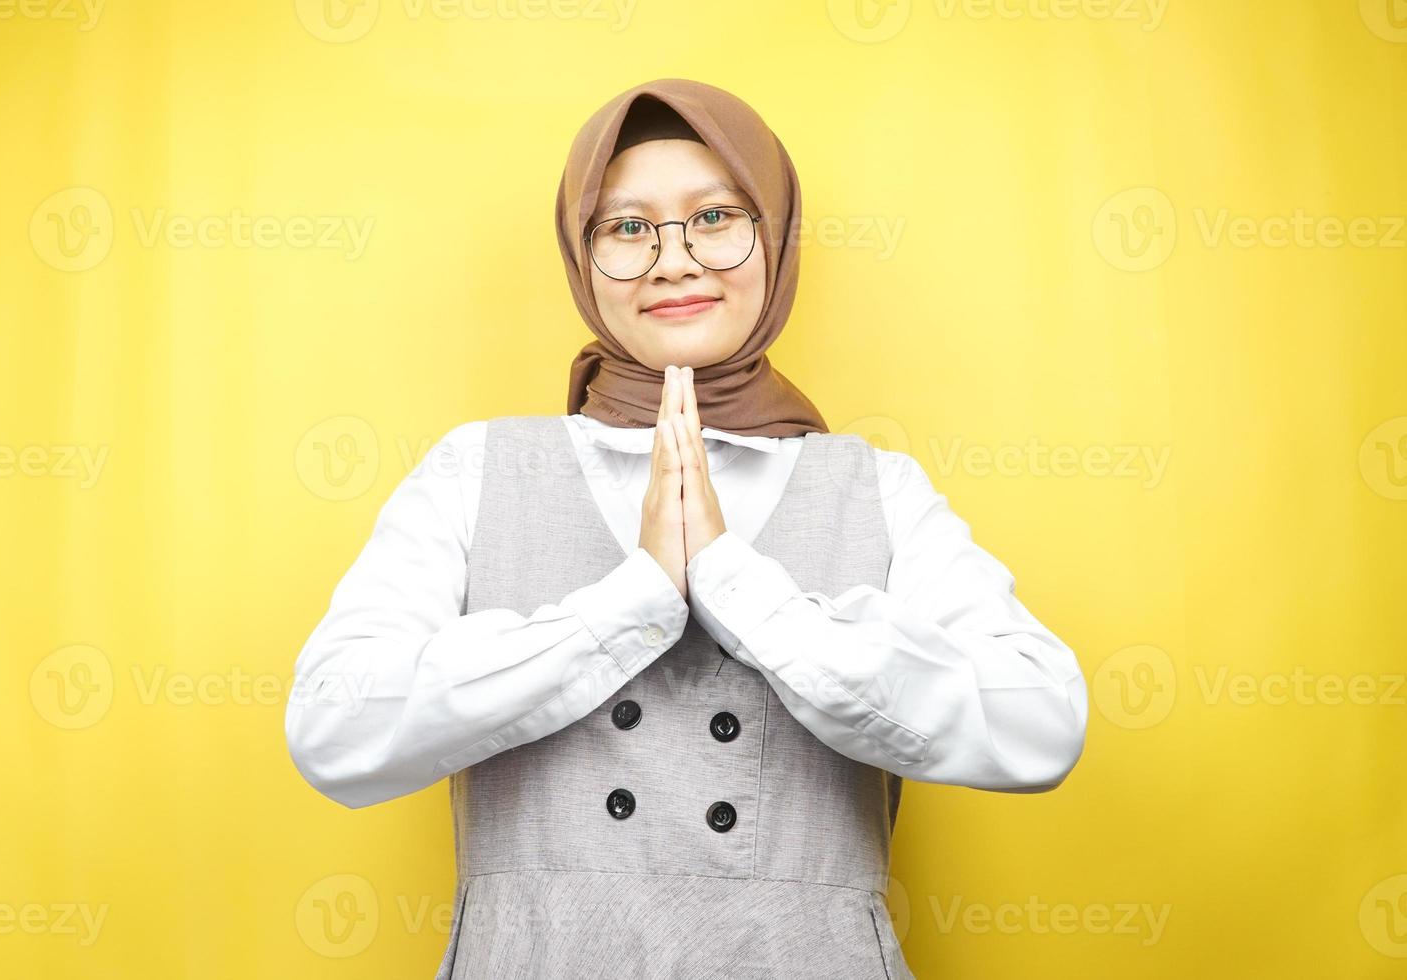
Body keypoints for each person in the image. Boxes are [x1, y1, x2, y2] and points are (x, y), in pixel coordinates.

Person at [285, 77, 1088, 980]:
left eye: (716, 218)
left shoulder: (878, 487)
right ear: (581, 259)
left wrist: (738, 585)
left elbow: (1039, 726)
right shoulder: (475, 470)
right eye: (627, 228)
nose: (672, 260)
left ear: (774, 239)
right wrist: (631, 601)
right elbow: (334, 729)